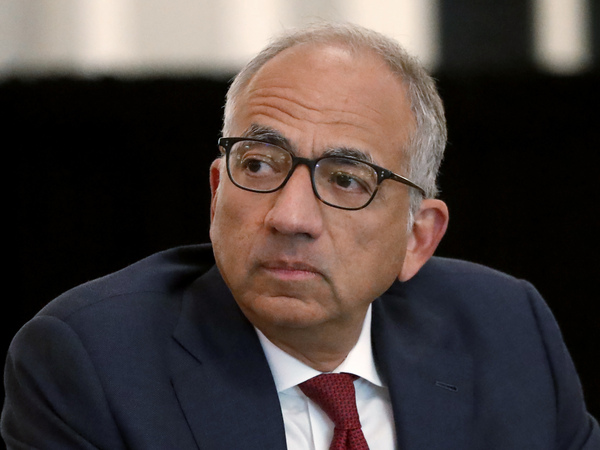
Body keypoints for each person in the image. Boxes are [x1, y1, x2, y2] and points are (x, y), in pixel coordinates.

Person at [2, 22, 598, 450]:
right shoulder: (92, 364)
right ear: (217, 191)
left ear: (419, 237)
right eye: (259, 165)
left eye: (345, 180)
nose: (291, 216)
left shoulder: (508, 330)